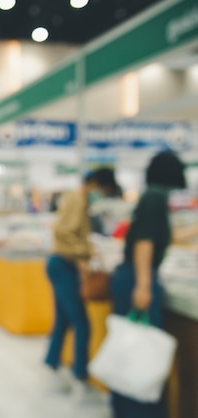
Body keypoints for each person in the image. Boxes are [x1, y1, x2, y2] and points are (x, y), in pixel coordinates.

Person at [110, 152, 198, 418]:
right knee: (141, 349)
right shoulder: (156, 198)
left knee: (132, 346)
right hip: (139, 277)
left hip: (134, 276)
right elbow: (145, 243)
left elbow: (163, 237)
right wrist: (144, 285)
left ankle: (129, 407)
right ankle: (139, 410)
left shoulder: (152, 197)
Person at [44, 167, 119, 401]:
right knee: (81, 323)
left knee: (65, 319)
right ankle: (80, 376)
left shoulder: (78, 200)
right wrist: (83, 255)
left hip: (60, 264)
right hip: (64, 264)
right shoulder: (77, 200)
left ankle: (53, 363)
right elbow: (64, 232)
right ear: (95, 183)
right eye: (102, 188)